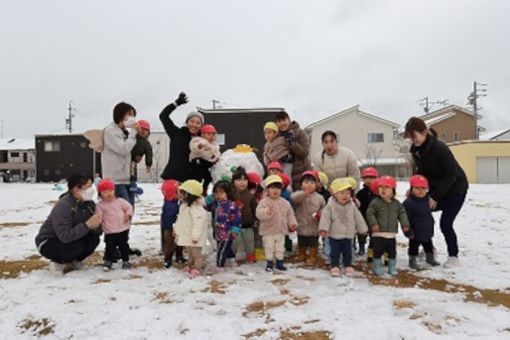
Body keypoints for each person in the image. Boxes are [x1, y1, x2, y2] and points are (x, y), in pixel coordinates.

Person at [405, 117, 469, 268]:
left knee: (445, 223)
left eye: (415, 137)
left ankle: (453, 256)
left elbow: (451, 174)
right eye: (410, 138)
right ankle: (429, 249)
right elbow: (420, 172)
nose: (413, 141)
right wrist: (414, 187)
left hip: (456, 189)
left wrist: (434, 196)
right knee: (420, 214)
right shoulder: (417, 151)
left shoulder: (439, 148)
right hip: (436, 188)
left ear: (425, 132)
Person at [35, 174, 102, 273]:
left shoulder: (89, 204)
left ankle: (74, 260)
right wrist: (87, 225)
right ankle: (57, 262)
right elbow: (65, 236)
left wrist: (95, 227)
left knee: (93, 239)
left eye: (91, 185)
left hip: (71, 237)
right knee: (76, 246)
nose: (92, 189)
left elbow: (96, 231)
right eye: (88, 187)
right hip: (48, 241)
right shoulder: (64, 206)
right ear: (76, 189)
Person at [319, 178, 368, 277]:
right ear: (335, 194)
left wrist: (363, 229)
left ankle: (348, 265)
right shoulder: (330, 206)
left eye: (348, 193)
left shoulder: (352, 205)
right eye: (342, 193)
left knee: (348, 252)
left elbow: (358, 217)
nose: (345, 195)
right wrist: (324, 229)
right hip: (334, 234)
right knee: (335, 252)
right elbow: (325, 218)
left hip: (348, 234)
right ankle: (334, 265)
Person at [366, 176, 412, 277]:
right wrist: (373, 224)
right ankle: (377, 267)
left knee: (392, 252)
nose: (383, 189)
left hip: (391, 234)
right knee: (377, 252)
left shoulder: (397, 204)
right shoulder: (375, 203)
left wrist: (405, 225)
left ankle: (392, 268)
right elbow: (369, 213)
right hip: (378, 233)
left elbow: (402, 213)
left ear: (393, 190)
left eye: (387, 187)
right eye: (381, 187)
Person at [159, 92, 205, 183]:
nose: (194, 125)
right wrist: (176, 103)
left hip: (193, 182)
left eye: (198, 123)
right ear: (187, 122)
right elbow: (163, 116)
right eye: (192, 121)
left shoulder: (203, 141)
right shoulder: (177, 133)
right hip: (174, 179)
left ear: (201, 126)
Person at [256, 175, 297, 272]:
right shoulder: (264, 202)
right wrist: (266, 212)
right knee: (269, 247)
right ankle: (269, 262)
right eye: (273, 187)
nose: (275, 190)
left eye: (278, 187)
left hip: (280, 230)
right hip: (268, 231)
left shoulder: (285, 202)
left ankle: (279, 262)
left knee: (280, 247)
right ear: (267, 189)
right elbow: (258, 213)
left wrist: (292, 223)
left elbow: (290, 214)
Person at [102, 102, 139, 207]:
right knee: (121, 213)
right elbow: (123, 149)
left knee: (129, 211)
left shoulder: (124, 132)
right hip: (115, 181)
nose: (132, 118)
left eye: (133, 115)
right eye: (129, 114)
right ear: (120, 114)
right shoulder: (110, 131)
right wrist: (133, 134)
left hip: (126, 180)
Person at [95, 179, 133, 271]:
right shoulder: (100, 206)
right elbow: (98, 216)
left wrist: (128, 214)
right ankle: (108, 260)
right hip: (110, 231)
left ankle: (125, 260)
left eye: (111, 191)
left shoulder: (120, 201)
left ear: (115, 191)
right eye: (105, 192)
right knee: (109, 247)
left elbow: (129, 207)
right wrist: (97, 222)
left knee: (123, 246)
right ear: (100, 194)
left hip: (123, 229)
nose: (109, 194)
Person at [173, 180, 209, 279]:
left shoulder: (197, 209)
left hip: (194, 237)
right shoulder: (184, 206)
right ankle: (190, 265)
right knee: (190, 253)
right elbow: (180, 219)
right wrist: (176, 230)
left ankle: (197, 267)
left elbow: (198, 224)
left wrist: (195, 236)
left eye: (183, 193)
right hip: (186, 235)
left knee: (196, 254)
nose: (180, 195)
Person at [403, 175, 440, 269]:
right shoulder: (408, 202)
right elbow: (405, 218)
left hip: (426, 229)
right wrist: (408, 231)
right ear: (411, 189)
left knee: (428, 246)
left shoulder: (427, 200)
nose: (420, 190)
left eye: (423, 188)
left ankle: (429, 258)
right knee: (413, 247)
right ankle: (412, 260)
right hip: (414, 232)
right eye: (417, 188)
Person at [292, 171, 326, 266]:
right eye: (306, 182)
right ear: (301, 184)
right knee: (301, 241)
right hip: (302, 223)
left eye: (312, 183)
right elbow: (293, 199)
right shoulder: (298, 194)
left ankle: (313, 255)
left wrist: (320, 214)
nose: (309, 185)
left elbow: (324, 208)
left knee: (313, 242)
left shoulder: (319, 197)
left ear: (316, 185)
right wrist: (304, 194)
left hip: (314, 224)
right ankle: (302, 254)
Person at [207, 181, 242, 269]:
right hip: (217, 232)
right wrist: (209, 199)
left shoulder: (232, 205)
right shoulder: (214, 204)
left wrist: (235, 229)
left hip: (228, 232)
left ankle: (220, 265)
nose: (218, 195)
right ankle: (231, 258)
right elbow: (206, 207)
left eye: (221, 192)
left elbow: (237, 218)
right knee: (224, 248)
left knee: (221, 251)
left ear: (227, 193)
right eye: (216, 192)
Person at [274, 111, 312, 190]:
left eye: (284, 120)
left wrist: (292, 143)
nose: (282, 123)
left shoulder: (300, 132)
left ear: (289, 120)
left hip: (301, 175)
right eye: (279, 121)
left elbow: (305, 153)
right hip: (284, 176)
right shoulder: (276, 137)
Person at [231, 167, 258, 264]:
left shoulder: (250, 195)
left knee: (250, 242)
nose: (242, 182)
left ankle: (250, 256)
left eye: (244, 180)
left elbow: (254, 208)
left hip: (248, 224)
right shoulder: (231, 195)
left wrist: (256, 218)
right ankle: (232, 256)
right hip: (235, 225)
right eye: (238, 180)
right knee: (235, 242)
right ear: (233, 182)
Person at [189, 124, 221, 193]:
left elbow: (216, 153)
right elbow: (194, 147)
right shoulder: (199, 141)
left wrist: (215, 158)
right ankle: (195, 191)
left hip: (206, 165)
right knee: (197, 179)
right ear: (202, 135)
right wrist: (199, 147)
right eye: (208, 134)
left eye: (213, 135)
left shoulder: (214, 144)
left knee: (208, 178)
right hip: (197, 164)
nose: (211, 137)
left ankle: (204, 190)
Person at [356, 167, 379, 261]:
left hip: (375, 218)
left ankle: (372, 249)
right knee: (361, 233)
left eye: (371, 177)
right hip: (363, 217)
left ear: (377, 178)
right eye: (366, 178)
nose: (368, 180)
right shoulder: (360, 193)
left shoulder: (379, 192)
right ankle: (361, 247)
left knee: (374, 235)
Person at [129, 119, 153, 194]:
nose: (143, 131)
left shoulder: (146, 143)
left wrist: (148, 164)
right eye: (142, 129)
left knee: (132, 170)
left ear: (148, 132)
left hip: (133, 160)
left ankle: (133, 184)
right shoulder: (132, 137)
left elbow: (149, 153)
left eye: (146, 130)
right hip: (125, 157)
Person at [160, 179, 180, 269]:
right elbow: (167, 219)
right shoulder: (170, 206)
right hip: (170, 229)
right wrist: (171, 228)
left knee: (180, 243)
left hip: (178, 227)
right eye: (178, 191)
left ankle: (179, 256)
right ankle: (168, 259)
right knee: (170, 245)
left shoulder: (176, 202)